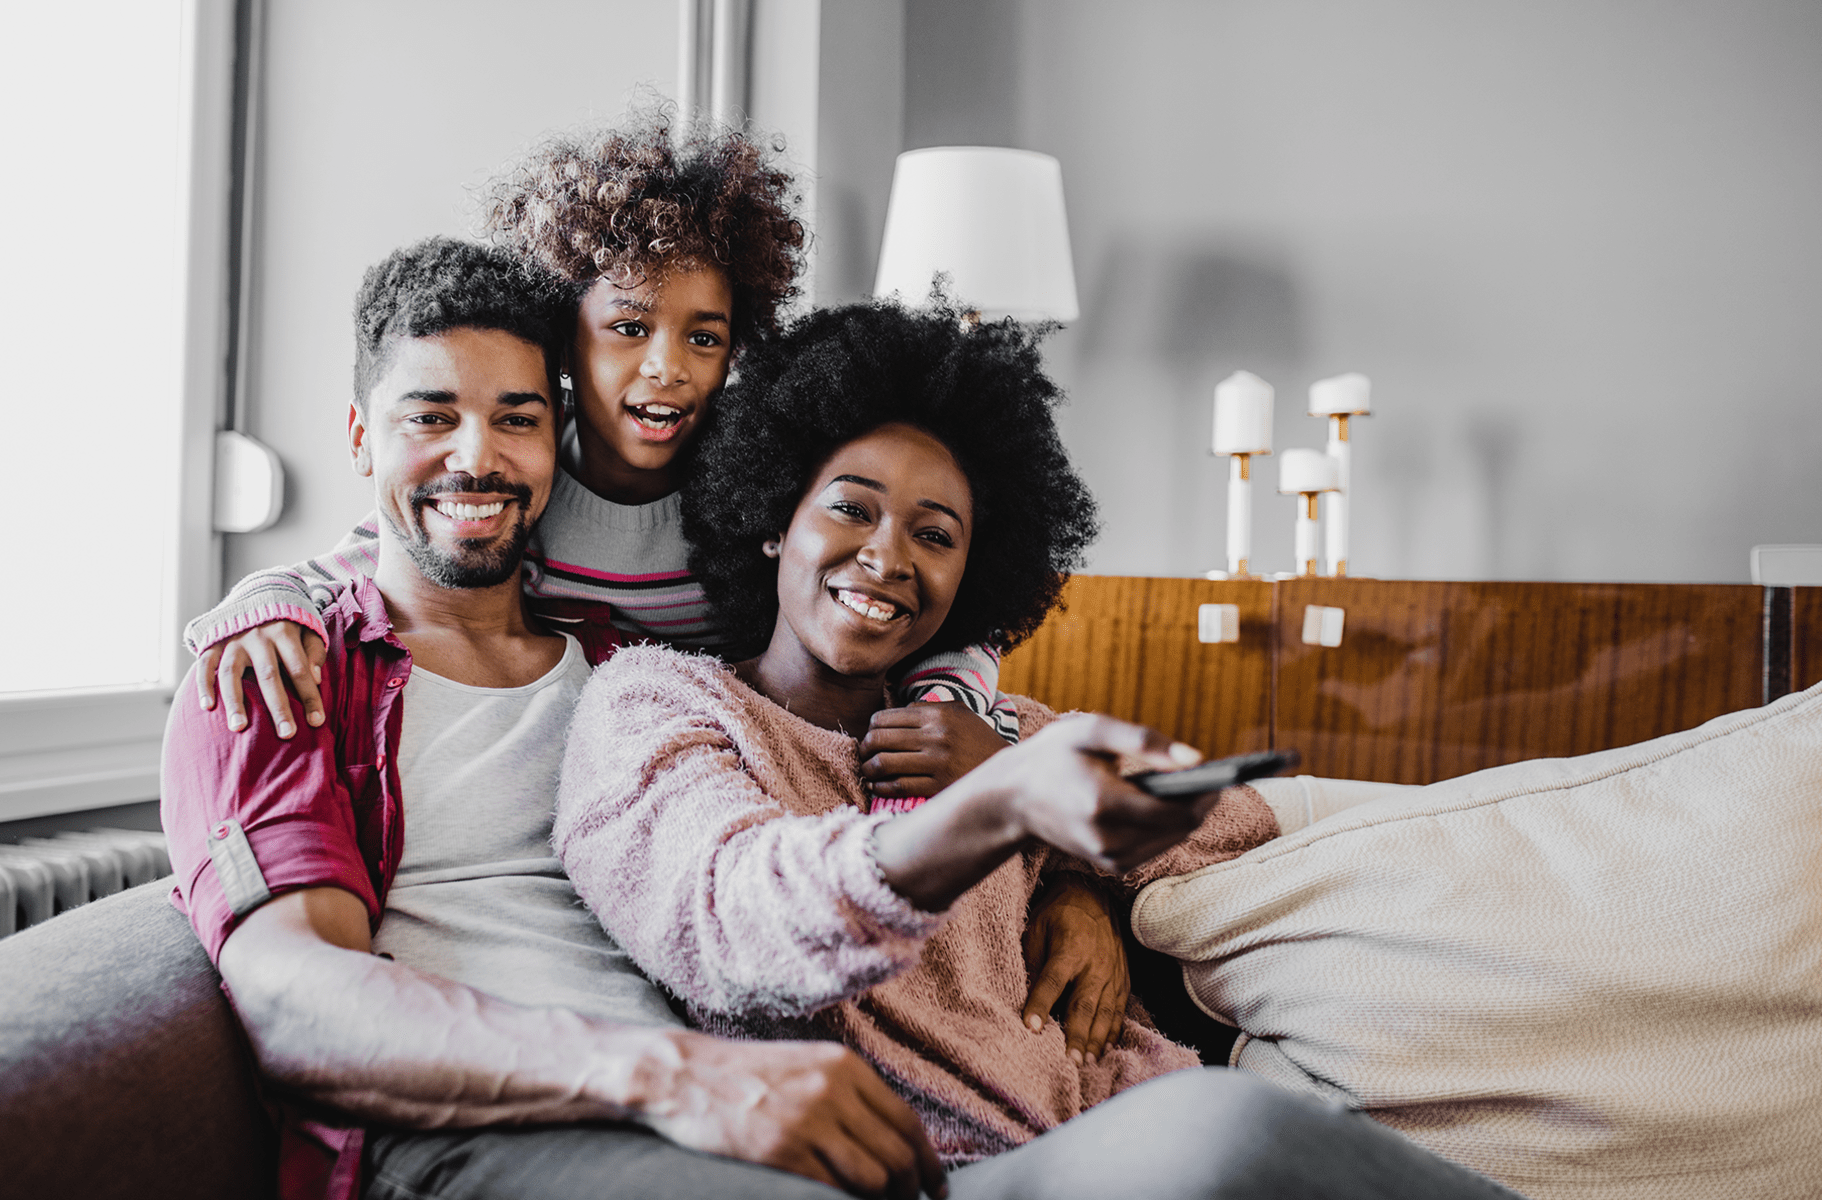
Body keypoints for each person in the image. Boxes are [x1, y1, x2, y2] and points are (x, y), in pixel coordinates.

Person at [183, 109, 1133, 1060]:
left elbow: (920, 618)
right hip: (655, 822)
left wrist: (1022, 813)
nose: (667, 369)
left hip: (765, 799)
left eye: (705, 339)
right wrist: (264, 603)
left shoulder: (760, 498)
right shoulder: (515, 481)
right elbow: (386, 541)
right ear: (565, 345)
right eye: (628, 327)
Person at [552, 298, 1528, 1199]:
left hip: (1121, 1113)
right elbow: (733, 922)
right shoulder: (658, 703)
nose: (888, 556)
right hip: (956, 1170)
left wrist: (1078, 875)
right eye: (850, 508)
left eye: (934, 535)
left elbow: (1221, 827)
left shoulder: (989, 727)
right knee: (1229, 1134)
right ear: (775, 521)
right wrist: (1004, 809)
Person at [162, 237, 951, 1200]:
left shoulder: (631, 668)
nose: (477, 457)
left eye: (516, 419)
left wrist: (1077, 881)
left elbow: (843, 773)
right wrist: (669, 1076)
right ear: (363, 435)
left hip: (707, 1104)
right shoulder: (282, 672)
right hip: (478, 1133)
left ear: (556, 436)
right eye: (432, 417)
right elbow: (295, 1004)